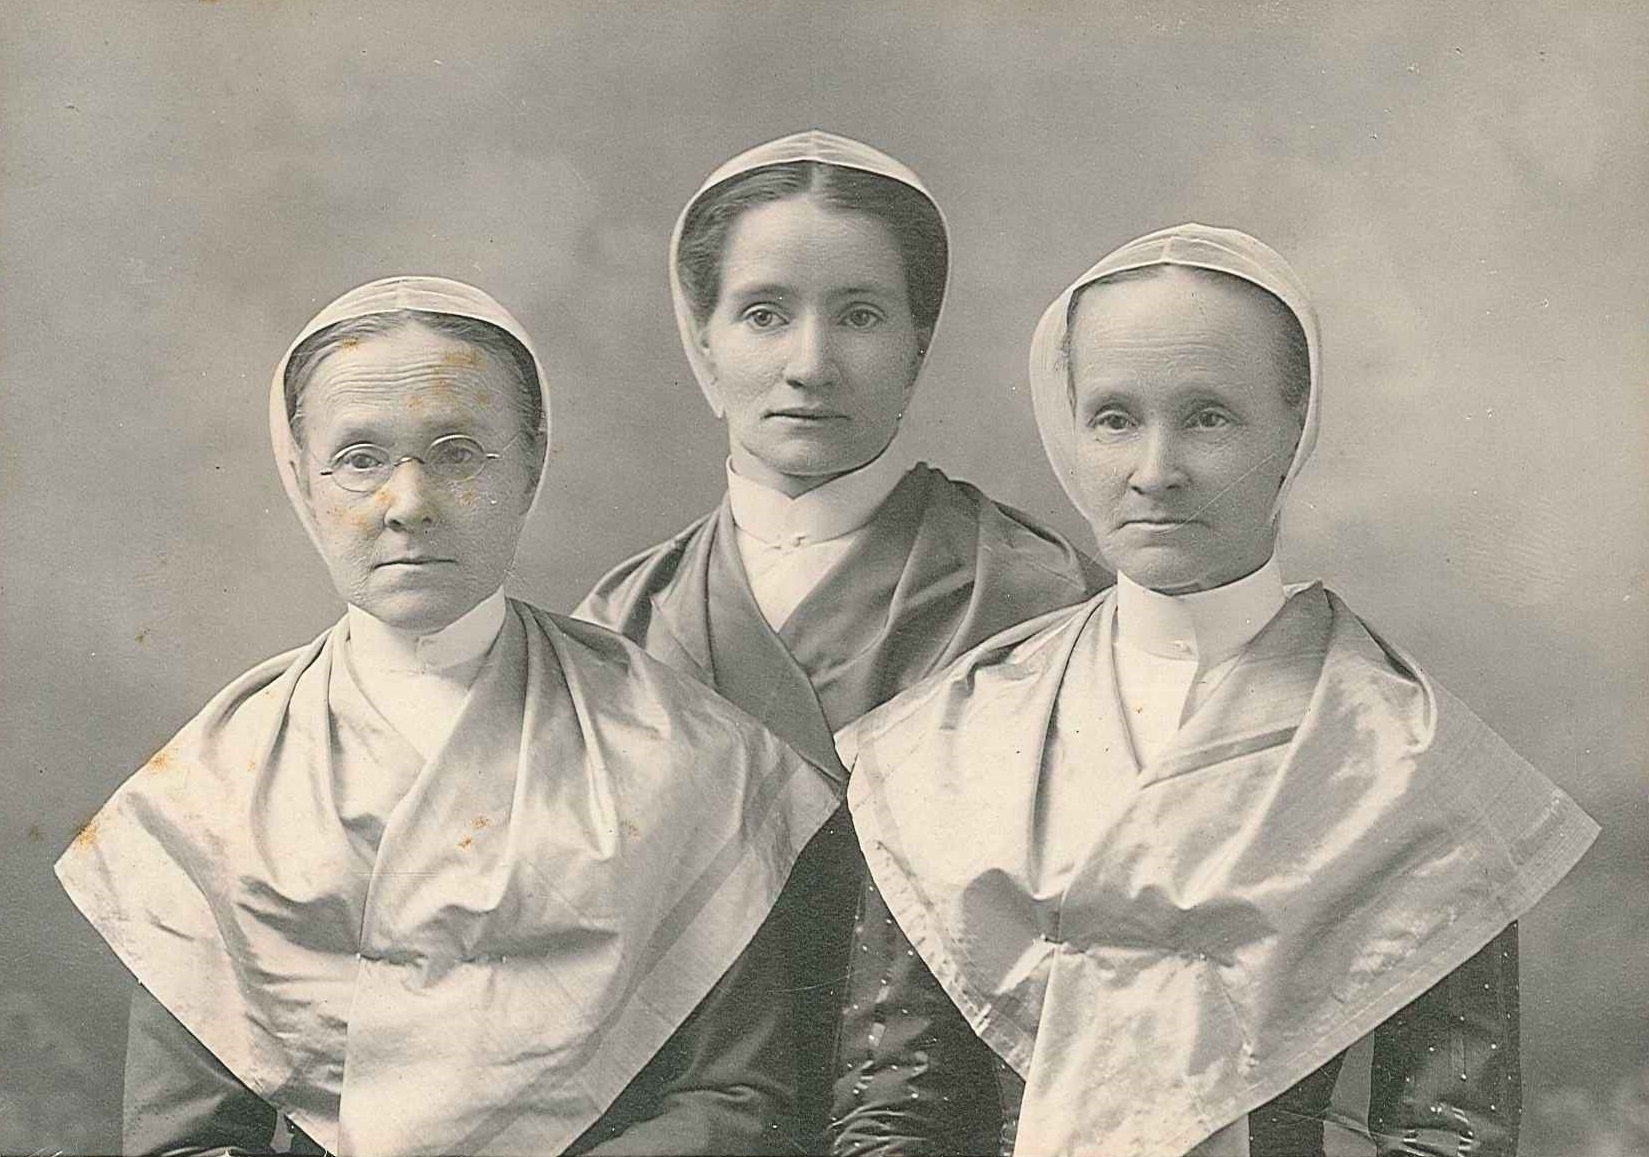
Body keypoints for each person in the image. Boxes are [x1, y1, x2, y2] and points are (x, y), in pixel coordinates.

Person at [830, 224, 1600, 1156]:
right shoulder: (947, 739)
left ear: (1293, 427)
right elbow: (891, 1117)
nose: (1155, 471)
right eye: (1114, 417)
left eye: (1208, 417)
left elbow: (1446, 1134)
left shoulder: (1408, 749)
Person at [55, 276, 840, 1156]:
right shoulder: (215, 783)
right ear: (300, 479)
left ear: (531, 465)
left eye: (459, 452)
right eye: (359, 459)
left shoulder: (683, 748)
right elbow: (186, 1136)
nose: (409, 502)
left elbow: (734, 1101)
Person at [575, 130, 1110, 1153]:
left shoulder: (1034, 595)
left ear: (917, 340)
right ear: (700, 340)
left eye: (859, 315)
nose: (810, 363)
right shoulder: (617, 626)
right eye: (764, 314)